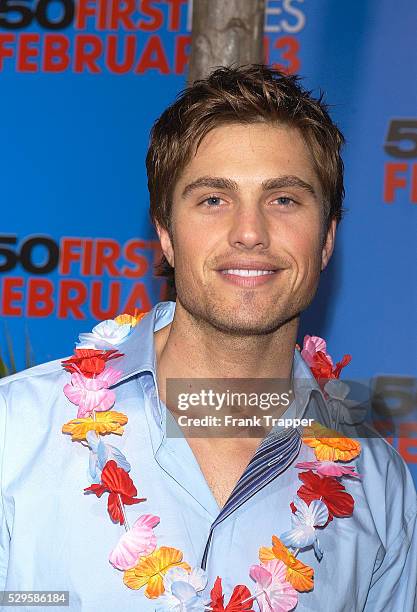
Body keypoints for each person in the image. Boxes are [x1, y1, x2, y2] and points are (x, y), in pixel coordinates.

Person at [0, 65, 416, 612]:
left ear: (327, 238)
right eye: (214, 199)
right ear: (167, 235)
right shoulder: (17, 434)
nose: (250, 231)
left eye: (284, 199)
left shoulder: (379, 489)